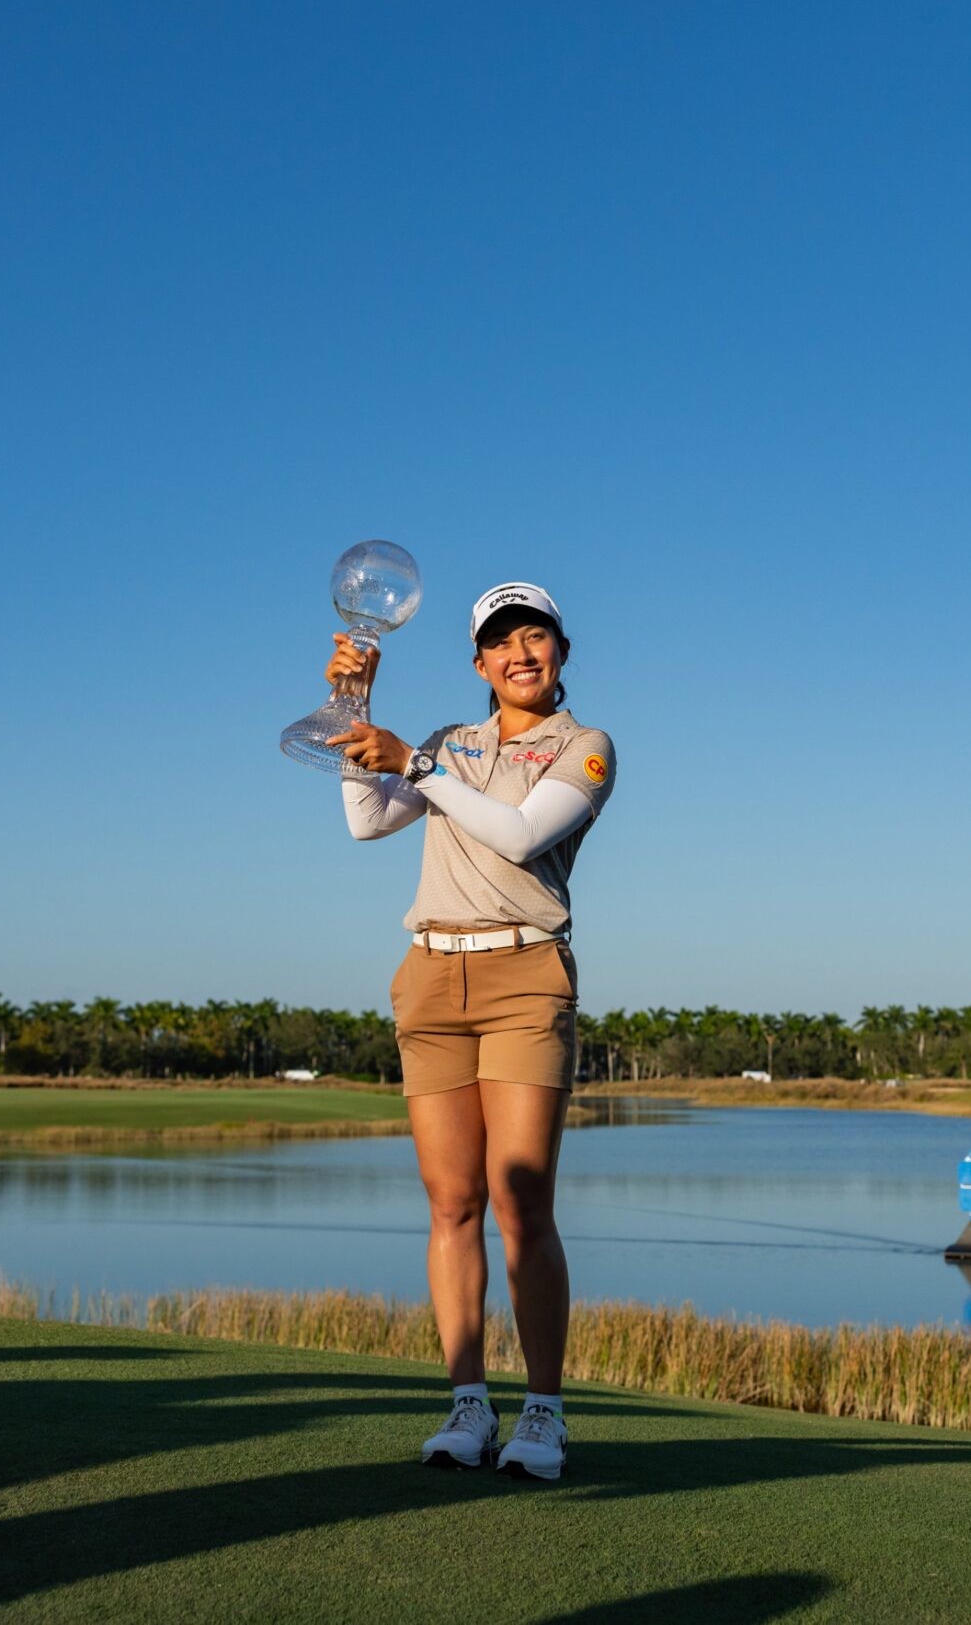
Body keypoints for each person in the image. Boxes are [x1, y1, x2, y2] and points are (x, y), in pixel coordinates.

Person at [323, 580, 617, 1481]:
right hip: (430, 977)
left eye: (537, 637)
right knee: (451, 1204)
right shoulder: (452, 741)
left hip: (525, 976)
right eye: (502, 641)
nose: (520, 652)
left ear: (561, 651)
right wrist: (352, 711)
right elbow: (366, 820)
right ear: (481, 663)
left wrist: (414, 761)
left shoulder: (584, 747)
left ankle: (543, 1410)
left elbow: (523, 835)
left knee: (521, 1201)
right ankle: (466, 1403)